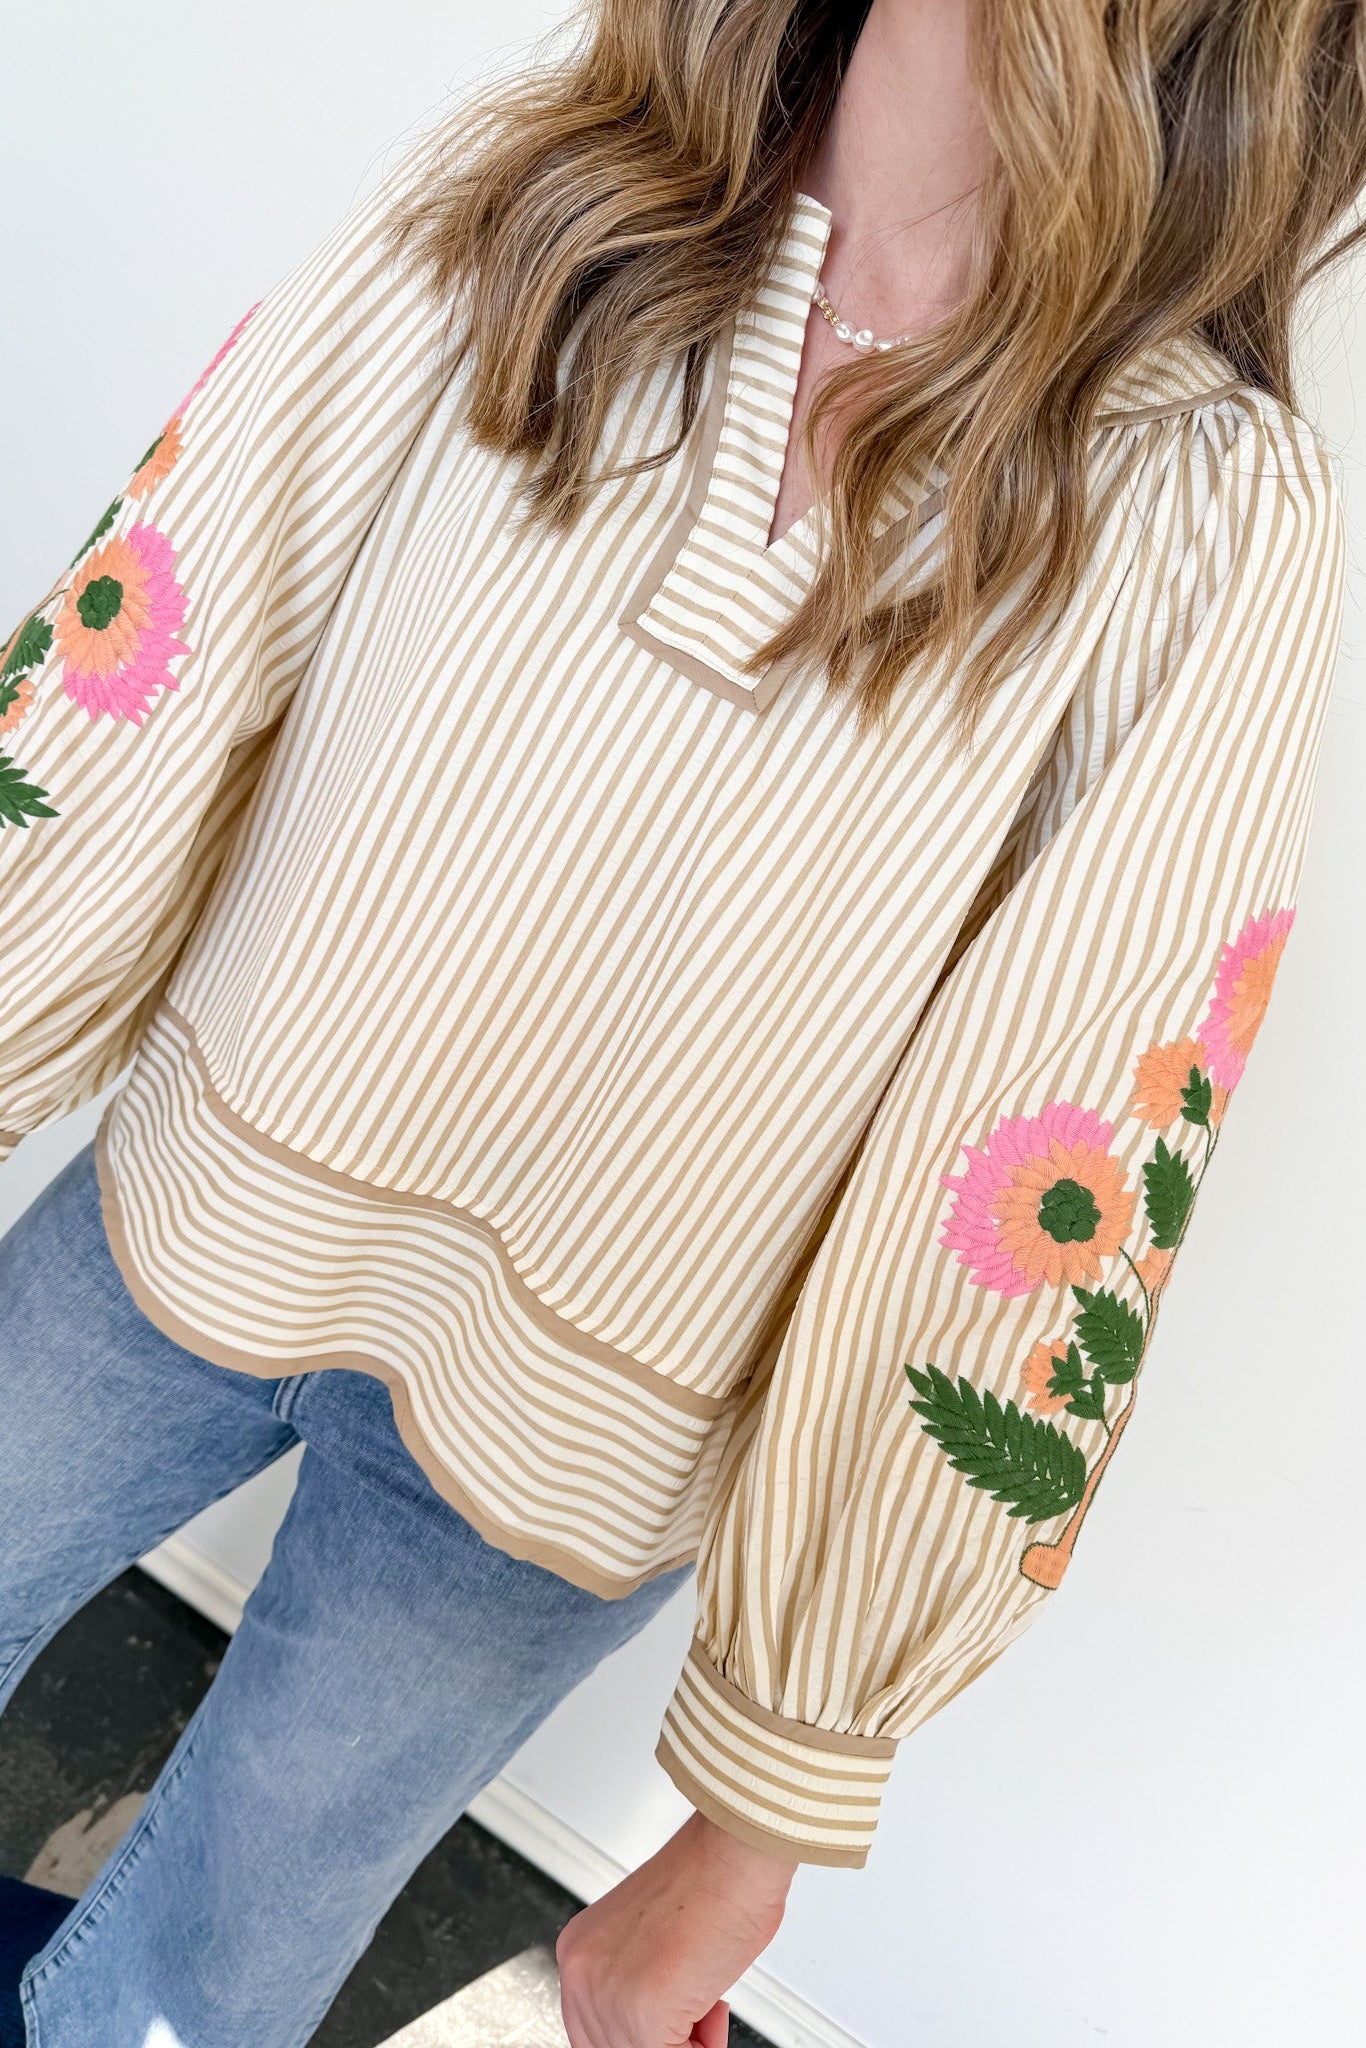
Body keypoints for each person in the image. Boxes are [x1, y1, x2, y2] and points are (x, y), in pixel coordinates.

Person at [0, 0, 1358, 2042]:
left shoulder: (1200, 517)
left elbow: (1037, 1174)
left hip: (567, 1471)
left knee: (208, 1970)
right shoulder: (555, 185)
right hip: (176, 1219)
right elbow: (159, 652)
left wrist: (764, 1800)